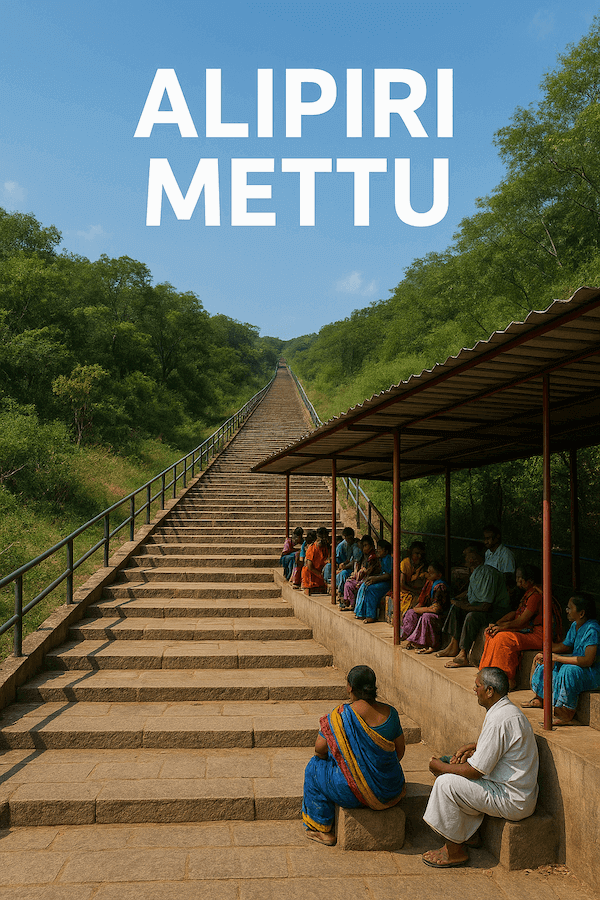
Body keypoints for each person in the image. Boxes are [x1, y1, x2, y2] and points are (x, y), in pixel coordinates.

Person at [422, 667, 539, 868]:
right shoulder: (506, 712)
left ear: (490, 691)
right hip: (518, 794)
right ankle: (469, 835)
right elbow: (500, 749)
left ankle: (454, 851)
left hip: (512, 799)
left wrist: (440, 768)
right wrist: (474, 748)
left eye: (478, 686)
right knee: (454, 768)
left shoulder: (500, 718)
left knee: (445, 783)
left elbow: (475, 772)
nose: (474, 689)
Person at [302, 665, 406, 845]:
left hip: (352, 794)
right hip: (391, 790)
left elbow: (319, 750)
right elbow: (400, 753)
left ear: (349, 687)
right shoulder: (391, 713)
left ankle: (320, 828)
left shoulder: (340, 716)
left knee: (314, 767)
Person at [478, 564, 563, 690]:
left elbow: (520, 621)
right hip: (528, 631)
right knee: (491, 634)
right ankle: (487, 675)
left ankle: (506, 679)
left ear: (530, 580)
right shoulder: (528, 594)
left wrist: (501, 627)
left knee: (503, 639)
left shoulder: (536, 596)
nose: (518, 581)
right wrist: (498, 624)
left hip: (539, 635)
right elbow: (516, 614)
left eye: (520, 578)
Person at [522, 593, 600, 726]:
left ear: (581, 613)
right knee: (546, 662)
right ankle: (541, 698)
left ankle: (565, 713)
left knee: (567, 670)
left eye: (570, 608)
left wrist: (558, 657)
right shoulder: (575, 625)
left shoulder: (593, 629)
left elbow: (588, 661)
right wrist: (546, 653)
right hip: (578, 666)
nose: (567, 610)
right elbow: (565, 645)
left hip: (592, 673)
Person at [437, 543, 510, 668]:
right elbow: (471, 595)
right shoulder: (476, 572)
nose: (464, 558)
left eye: (467, 555)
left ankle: (463, 653)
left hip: (497, 611)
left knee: (472, 616)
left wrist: (463, 605)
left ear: (474, 557)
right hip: (483, 607)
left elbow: (485, 606)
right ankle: (453, 645)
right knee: (456, 609)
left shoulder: (488, 573)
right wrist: (457, 601)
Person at [401, 560, 449, 652]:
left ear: (439, 575)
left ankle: (426, 644)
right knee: (411, 613)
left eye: (431, 573)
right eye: (428, 572)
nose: (428, 574)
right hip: (430, 609)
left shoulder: (440, 586)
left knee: (426, 616)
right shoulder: (429, 583)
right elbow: (422, 601)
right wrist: (416, 609)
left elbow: (437, 609)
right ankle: (407, 637)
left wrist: (421, 610)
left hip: (442, 615)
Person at [354, 539, 393, 623]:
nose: (377, 550)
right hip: (382, 581)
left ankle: (371, 615)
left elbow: (388, 575)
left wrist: (375, 579)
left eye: (380, 549)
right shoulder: (380, 559)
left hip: (388, 583)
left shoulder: (388, 559)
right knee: (364, 585)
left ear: (385, 551)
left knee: (370, 589)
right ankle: (361, 612)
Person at [340, 534, 378, 611]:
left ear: (371, 546)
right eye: (363, 546)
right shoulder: (363, 556)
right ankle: (348, 602)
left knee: (353, 585)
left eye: (365, 545)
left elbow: (370, 571)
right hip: (361, 578)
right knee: (348, 582)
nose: (363, 548)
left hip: (369, 579)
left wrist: (362, 572)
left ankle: (352, 605)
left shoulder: (373, 557)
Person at [326, 527, 363, 595]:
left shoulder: (356, 545)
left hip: (354, 570)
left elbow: (356, 560)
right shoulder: (341, 546)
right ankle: (340, 591)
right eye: (346, 539)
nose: (348, 540)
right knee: (342, 572)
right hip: (343, 570)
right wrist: (340, 567)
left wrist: (346, 566)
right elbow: (336, 561)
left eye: (350, 538)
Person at [400, 541, 427, 618]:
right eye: (417, 554)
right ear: (411, 553)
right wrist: (414, 591)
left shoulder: (422, 565)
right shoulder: (405, 563)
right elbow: (402, 585)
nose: (419, 556)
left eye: (421, 554)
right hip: (405, 591)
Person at [302, 526, 330, 593]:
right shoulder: (312, 549)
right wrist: (320, 575)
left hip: (320, 573)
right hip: (312, 574)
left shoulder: (325, 548)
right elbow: (310, 567)